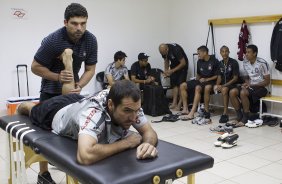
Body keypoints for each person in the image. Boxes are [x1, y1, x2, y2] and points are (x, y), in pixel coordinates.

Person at [30, 3, 97, 183]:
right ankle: (43, 174)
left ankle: (69, 165)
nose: (79, 28)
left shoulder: (90, 40)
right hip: (50, 91)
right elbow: (35, 67)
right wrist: (57, 76)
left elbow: (90, 69)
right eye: (74, 23)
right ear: (65, 22)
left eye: (83, 23)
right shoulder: (53, 41)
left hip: (72, 92)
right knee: (44, 135)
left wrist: (80, 85)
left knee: (71, 130)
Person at [17, 80, 158, 166]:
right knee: (31, 110)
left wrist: (148, 144)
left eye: (136, 111)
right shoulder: (95, 114)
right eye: (127, 111)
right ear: (111, 105)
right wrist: (126, 143)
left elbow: (148, 132)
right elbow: (85, 156)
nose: (134, 118)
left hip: (79, 102)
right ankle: (24, 105)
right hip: (56, 112)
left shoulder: (131, 105)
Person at [229, 44, 270, 127]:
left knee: (243, 92)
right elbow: (247, 77)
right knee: (232, 92)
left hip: (261, 88)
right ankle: (239, 116)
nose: (246, 54)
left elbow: (267, 81)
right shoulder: (245, 62)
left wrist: (251, 84)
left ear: (254, 53)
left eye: (248, 52)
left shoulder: (262, 63)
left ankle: (245, 117)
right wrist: (247, 83)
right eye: (246, 52)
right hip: (250, 86)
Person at [180, 45, 218, 120]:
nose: (198, 55)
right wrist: (195, 81)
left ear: (205, 52)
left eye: (199, 53)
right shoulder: (199, 61)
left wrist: (206, 80)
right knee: (183, 85)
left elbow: (217, 76)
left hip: (210, 81)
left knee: (197, 88)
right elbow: (198, 74)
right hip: (201, 81)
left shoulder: (214, 61)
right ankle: (185, 109)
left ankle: (192, 113)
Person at [159, 43, 188, 110]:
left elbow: (183, 63)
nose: (162, 54)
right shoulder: (163, 50)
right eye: (161, 53)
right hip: (174, 66)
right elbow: (166, 60)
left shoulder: (176, 50)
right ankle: (174, 103)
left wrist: (172, 70)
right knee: (174, 85)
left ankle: (180, 104)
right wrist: (166, 71)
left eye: (163, 52)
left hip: (182, 66)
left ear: (167, 49)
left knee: (180, 85)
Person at [214, 46, 239, 123]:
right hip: (224, 85)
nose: (224, 53)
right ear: (220, 53)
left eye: (226, 51)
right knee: (223, 89)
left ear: (229, 52)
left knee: (224, 89)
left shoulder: (234, 62)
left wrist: (223, 85)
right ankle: (225, 112)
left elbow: (235, 78)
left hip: (233, 84)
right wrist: (217, 85)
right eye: (223, 51)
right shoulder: (220, 63)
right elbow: (219, 76)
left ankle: (225, 112)